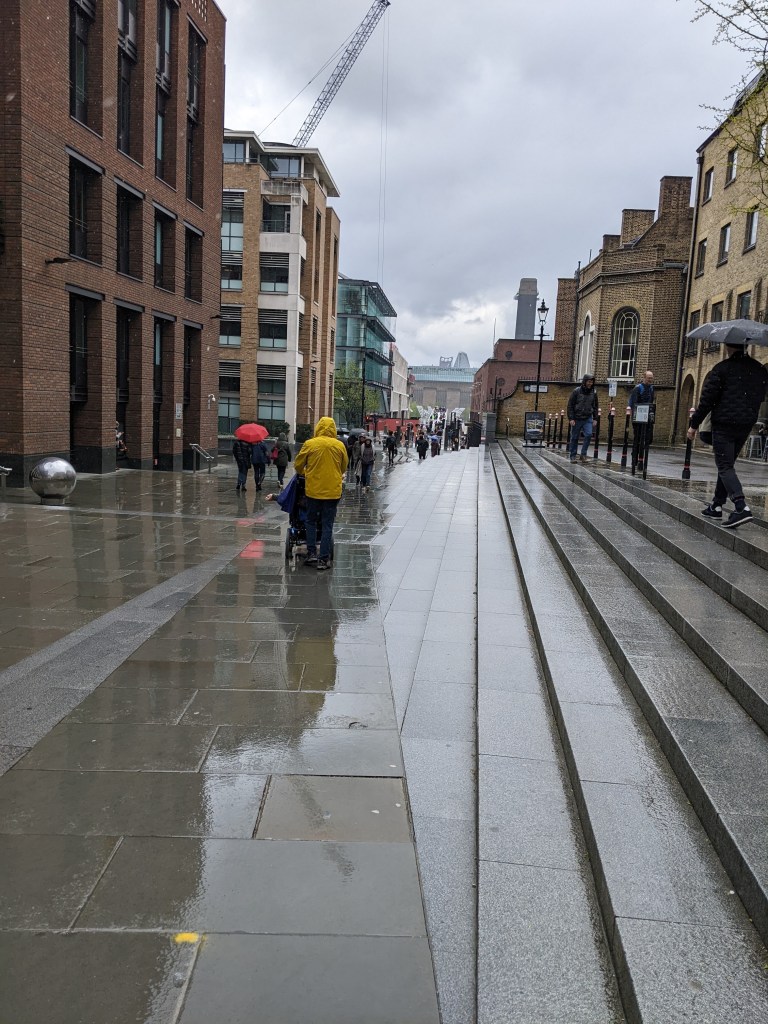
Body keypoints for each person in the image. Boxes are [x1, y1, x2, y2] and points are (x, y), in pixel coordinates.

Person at [688, 343, 768, 528]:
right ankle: (716, 505)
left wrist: (693, 425)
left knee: (724, 465)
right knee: (728, 464)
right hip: (746, 424)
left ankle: (741, 507)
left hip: (724, 424)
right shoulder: (759, 370)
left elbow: (707, 400)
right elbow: (761, 396)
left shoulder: (722, 368)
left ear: (727, 347)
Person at [293, 416, 349, 569]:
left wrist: (307, 472)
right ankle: (324, 559)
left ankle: (311, 553)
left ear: (318, 428)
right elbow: (344, 467)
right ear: (333, 429)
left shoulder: (310, 444)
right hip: (332, 492)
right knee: (327, 524)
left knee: (310, 521)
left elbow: (298, 465)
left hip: (313, 491)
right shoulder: (339, 445)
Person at [567, 374, 599, 463]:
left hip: (588, 417)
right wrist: (571, 418)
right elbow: (570, 406)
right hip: (577, 418)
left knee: (588, 434)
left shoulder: (594, 392)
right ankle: (573, 456)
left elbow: (596, 406)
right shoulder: (576, 391)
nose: (590, 383)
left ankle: (583, 454)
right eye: (589, 381)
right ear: (584, 382)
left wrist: (595, 418)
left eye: (592, 382)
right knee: (574, 437)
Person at [628, 370, 655, 470]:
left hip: (647, 418)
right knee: (638, 439)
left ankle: (641, 458)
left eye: (651, 378)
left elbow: (651, 402)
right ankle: (635, 460)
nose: (650, 380)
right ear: (644, 378)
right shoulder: (638, 388)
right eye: (649, 378)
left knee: (648, 439)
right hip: (638, 418)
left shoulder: (652, 389)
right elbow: (634, 404)